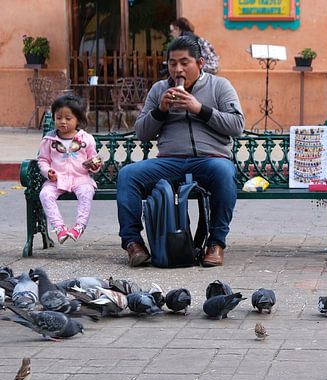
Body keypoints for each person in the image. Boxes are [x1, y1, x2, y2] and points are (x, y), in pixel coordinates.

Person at [118, 35, 244, 267]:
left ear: (200, 63)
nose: (178, 69)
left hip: (210, 160)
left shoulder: (219, 86)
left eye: (185, 62)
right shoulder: (159, 89)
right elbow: (142, 133)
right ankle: (133, 244)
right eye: (172, 63)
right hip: (170, 161)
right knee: (128, 174)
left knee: (224, 172)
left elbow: (236, 126)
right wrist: (161, 110)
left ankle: (216, 244)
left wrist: (200, 109)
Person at [37, 95, 102, 244]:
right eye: (59, 118)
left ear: (77, 119)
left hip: (81, 179)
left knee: (86, 192)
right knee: (45, 194)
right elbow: (43, 160)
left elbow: (95, 158)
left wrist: (95, 165)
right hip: (57, 180)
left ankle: (79, 227)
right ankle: (59, 228)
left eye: (68, 118)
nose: (63, 122)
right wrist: (47, 172)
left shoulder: (86, 139)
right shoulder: (49, 140)